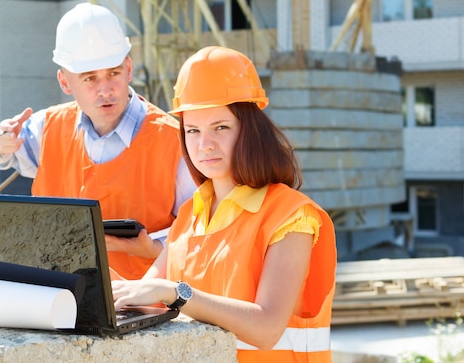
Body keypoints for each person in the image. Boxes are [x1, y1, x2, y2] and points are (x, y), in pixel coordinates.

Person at [111, 46, 337, 362]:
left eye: (221, 127)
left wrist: (176, 293)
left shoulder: (291, 216)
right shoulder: (191, 214)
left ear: (251, 130)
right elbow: (145, 298)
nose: (205, 145)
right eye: (193, 130)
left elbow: (267, 327)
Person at [0, 2, 196, 280]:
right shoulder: (49, 127)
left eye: (113, 74)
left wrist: (153, 247)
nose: (105, 90)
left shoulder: (176, 142)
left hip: (142, 308)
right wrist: (1, 142)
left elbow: (198, 233)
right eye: (90, 79)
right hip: (58, 294)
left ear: (128, 68)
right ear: (65, 82)